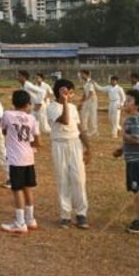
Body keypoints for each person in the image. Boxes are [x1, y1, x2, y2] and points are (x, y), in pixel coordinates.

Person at [47, 79, 91, 229]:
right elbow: (65, 120)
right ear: (61, 92)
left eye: (71, 92)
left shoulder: (72, 107)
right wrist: (64, 101)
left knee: (79, 179)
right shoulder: (52, 107)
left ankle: (81, 213)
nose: (71, 95)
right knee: (63, 179)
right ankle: (65, 215)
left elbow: (79, 129)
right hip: (59, 144)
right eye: (69, 92)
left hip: (74, 144)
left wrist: (88, 148)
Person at [113, 89, 139, 234]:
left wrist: (124, 135)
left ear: (137, 106)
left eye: (128, 101)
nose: (125, 103)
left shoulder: (135, 119)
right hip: (136, 160)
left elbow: (137, 139)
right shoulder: (134, 118)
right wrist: (121, 149)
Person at [0, 90, 41, 234]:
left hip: (15, 159)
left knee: (17, 189)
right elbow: (37, 141)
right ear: (27, 104)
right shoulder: (31, 118)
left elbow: (4, 131)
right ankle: (30, 219)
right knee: (27, 188)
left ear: (13, 102)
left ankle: (20, 222)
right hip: (28, 157)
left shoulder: (7, 115)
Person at [17, 70, 48, 134]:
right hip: (33, 106)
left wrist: (39, 103)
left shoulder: (28, 85)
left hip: (39, 106)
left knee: (43, 127)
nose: (17, 77)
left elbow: (42, 91)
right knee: (33, 122)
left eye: (19, 76)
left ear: (24, 77)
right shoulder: (22, 86)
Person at [78, 69, 99, 137]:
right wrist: (81, 101)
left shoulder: (91, 82)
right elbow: (85, 93)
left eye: (82, 74)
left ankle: (94, 132)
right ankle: (85, 130)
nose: (80, 76)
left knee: (92, 116)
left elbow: (91, 93)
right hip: (87, 100)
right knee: (83, 115)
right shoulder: (85, 82)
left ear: (85, 74)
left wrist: (84, 101)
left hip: (92, 100)